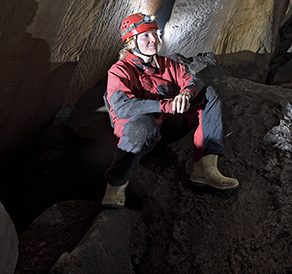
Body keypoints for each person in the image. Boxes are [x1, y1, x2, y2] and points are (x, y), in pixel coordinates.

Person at [101, 13, 239, 208]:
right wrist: (165, 105)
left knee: (209, 93)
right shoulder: (119, 71)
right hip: (137, 132)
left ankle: (205, 168)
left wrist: (186, 94)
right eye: (146, 36)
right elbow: (123, 107)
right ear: (131, 43)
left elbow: (193, 81)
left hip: (167, 127)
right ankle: (116, 185)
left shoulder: (167, 65)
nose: (153, 40)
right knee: (143, 124)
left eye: (155, 34)